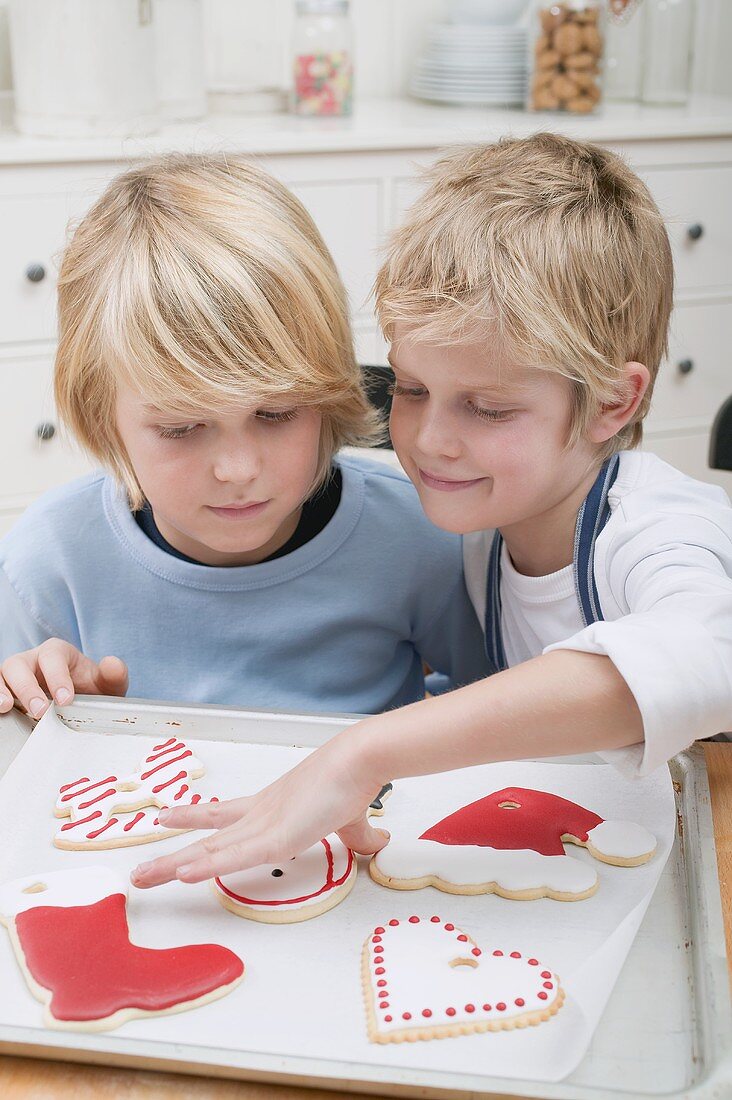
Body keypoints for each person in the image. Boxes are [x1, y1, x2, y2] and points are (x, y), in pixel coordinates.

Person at [131, 133, 732, 891]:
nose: (429, 440)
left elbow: (711, 654)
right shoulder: (488, 525)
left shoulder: (657, 524)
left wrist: (364, 751)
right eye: (412, 389)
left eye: (486, 407)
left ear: (614, 400)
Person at [0, 154, 487, 721]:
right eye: (181, 427)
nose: (237, 470)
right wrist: (69, 729)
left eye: (277, 414)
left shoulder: (418, 538)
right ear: (101, 414)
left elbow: (495, 719)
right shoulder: (49, 559)